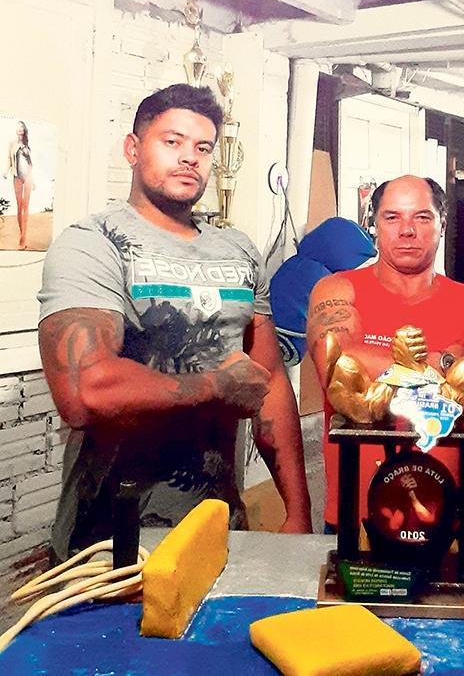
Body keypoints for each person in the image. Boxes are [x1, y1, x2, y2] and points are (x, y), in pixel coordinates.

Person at [38, 84, 312, 562]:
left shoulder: (239, 250)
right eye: (172, 141)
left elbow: (268, 381)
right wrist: (215, 387)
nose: (190, 157)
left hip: (217, 526)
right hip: (109, 539)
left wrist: (298, 511)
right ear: (132, 149)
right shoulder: (93, 243)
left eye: (203, 148)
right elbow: (83, 393)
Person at [306, 174, 464, 533]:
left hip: (449, 524)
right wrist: (446, 363)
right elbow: (340, 368)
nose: (407, 230)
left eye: (422, 217)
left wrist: (381, 382)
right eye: (392, 217)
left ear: (442, 224)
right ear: (374, 224)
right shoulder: (337, 290)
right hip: (357, 522)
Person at [3, 120, 32, 249]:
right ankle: (21, 234)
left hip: (28, 176)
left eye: (22, 127)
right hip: (17, 176)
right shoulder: (12, 144)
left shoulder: (27, 144)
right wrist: (6, 171)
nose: (20, 129)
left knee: (26, 206)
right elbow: (10, 159)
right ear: (16, 130)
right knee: (19, 207)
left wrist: (34, 180)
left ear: (24, 130)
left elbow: (30, 163)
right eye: (19, 127)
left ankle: (23, 238)